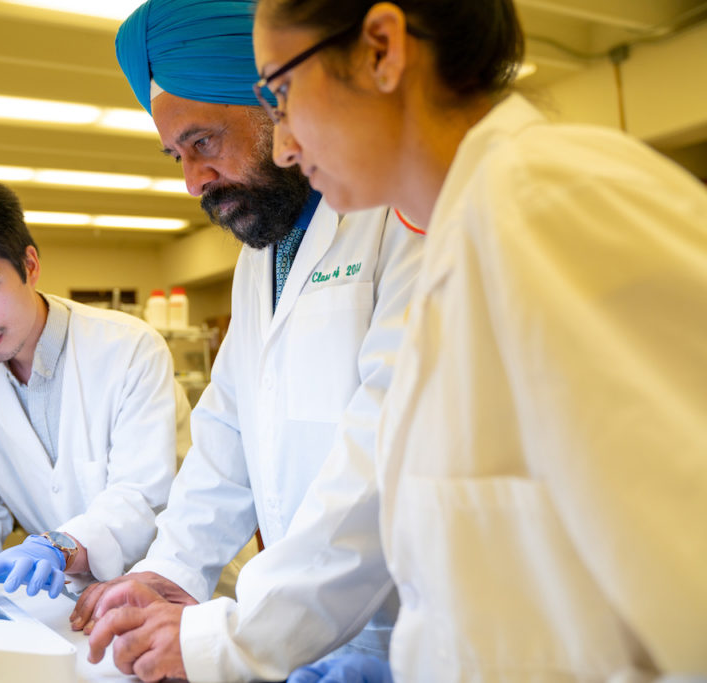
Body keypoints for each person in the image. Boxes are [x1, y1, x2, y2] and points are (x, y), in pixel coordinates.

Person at [253, 0, 707, 680]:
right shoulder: (460, 237)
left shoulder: (548, 198)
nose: (283, 145)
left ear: (381, 48)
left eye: (280, 92)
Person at [75, 1, 425, 680]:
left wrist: (228, 636)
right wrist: (171, 572)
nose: (192, 180)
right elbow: (228, 436)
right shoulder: (257, 258)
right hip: (304, 633)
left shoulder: (399, 212)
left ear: (273, 99)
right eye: (177, 154)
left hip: (407, 634)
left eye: (203, 141)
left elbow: (382, 458)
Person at [0, 181, 181, 601]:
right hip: (71, 600)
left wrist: (59, 546)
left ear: (29, 265)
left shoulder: (128, 348)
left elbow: (141, 498)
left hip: (172, 590)